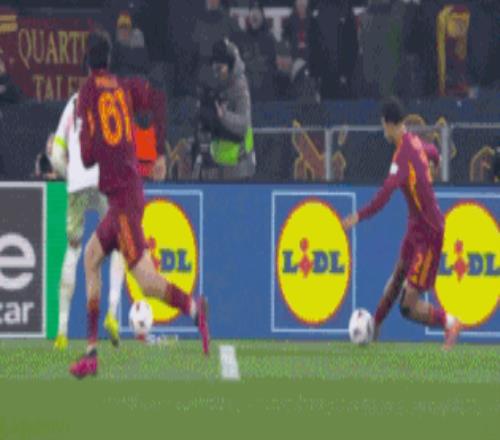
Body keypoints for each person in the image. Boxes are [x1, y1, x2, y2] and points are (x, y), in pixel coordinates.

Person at [70, 32, 209, 379]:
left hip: (121, 200)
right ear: (109, 60)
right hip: (126, 194)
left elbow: (86, 157)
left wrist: (87, 136)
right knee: (91, 258)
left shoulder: (87, 93)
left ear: (87, 63)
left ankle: (194, 309)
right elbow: (158, 99)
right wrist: (159, 150)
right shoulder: (125, 86)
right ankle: (91, 353)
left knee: (146, 281)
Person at [342, 97, 462, 350]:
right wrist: (435, 164)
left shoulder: (402, 157)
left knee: (407, 306)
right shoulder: (414, 141)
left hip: (429, 233)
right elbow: (433, 152)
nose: (383, 130)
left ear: (388, 124)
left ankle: (450, 322)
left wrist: (359, 216)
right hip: (416, 226)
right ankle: (374, 326)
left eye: (383, 125)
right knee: (398, 274)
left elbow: (385, 194)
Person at [48, 93, 125, 351]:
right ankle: (112, 312)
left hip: (78, 185)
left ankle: (62, 332)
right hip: (104, 182)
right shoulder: (112, 102)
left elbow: (56, 154)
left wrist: (70, 176)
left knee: (72, 249)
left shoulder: (72, 103)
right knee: (118, 244)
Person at [196, 38, 255, 180]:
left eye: (220, 68)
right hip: (216, 164)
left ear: (230, 66)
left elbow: (243, 124)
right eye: (214, 69)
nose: (216, 73)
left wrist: (224, 116)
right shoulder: (214, 86)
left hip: (239, 166)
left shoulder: (240, 87)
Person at [239, 1, 277, 102]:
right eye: (252, 14)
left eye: (257, 13)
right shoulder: (242, 39)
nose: (254, 17)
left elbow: (274, 66)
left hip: (265, 92)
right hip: (248, 93)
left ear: (262, 17)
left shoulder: (270, 39)